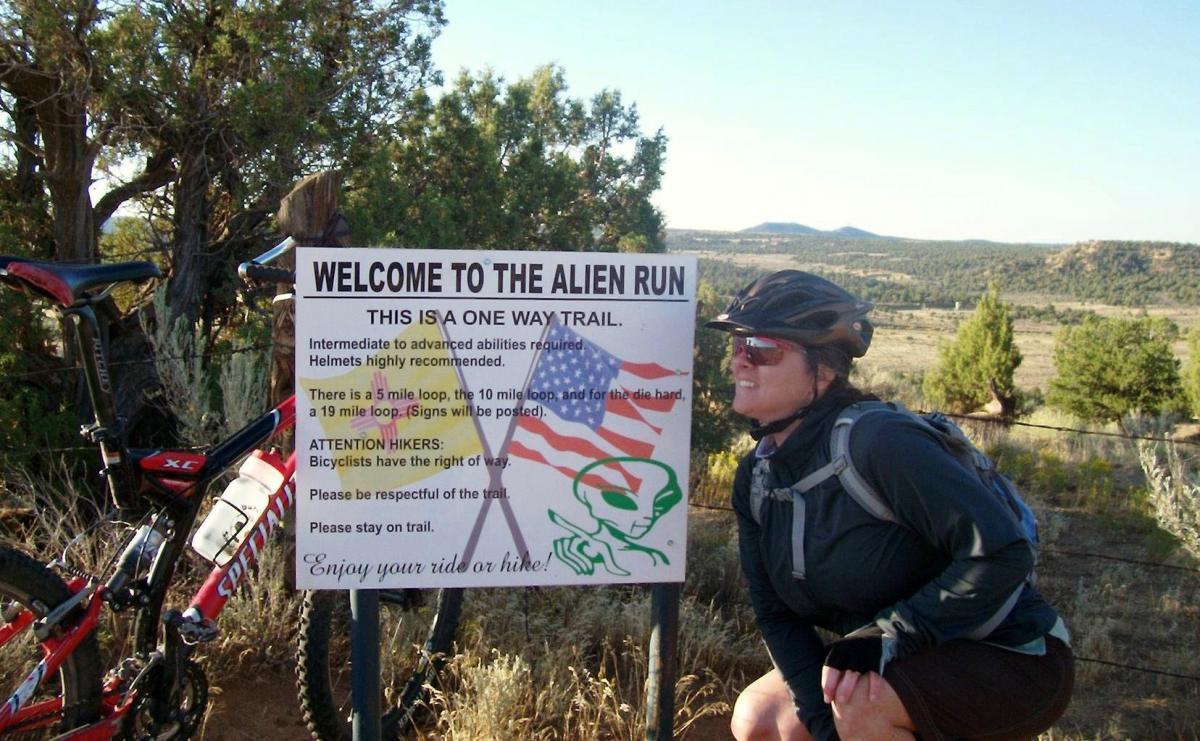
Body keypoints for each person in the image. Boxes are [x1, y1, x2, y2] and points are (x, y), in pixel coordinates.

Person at [705, 270, 1073, 741]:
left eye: (760, 349)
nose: (739, 363)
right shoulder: (756, 476)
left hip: (1009, 653)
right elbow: (777, 616)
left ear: (824, 370)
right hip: (899, 658)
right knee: (759, 717)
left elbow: (1003, 550)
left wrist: (891, 632)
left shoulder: (878, 442)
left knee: (861, 709)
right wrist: (820, 726)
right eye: (737, 347)